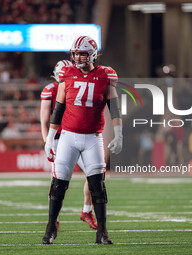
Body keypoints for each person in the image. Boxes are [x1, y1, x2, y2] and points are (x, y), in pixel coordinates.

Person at [42, 35, 123, 245]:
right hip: (68, 136)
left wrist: (119, 132)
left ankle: (102, 232)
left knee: (98, 185)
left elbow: (113, 106)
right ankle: (51, 229)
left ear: (93, 54)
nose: (78, 57)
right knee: (58, 184)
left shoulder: (105, 74)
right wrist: (50, 137)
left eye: (83, 53)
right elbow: (58, 108)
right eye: (76, 53)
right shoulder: (66, 73)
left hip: (93, 138)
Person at [40, 60, 97, 230]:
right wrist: (47, 142)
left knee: (94, 176)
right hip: (59, 138)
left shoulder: (82, 83)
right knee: (57, 181)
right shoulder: (51, 89)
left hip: (81, 135)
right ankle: (54, 219)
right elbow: (44, 120)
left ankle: (87, 210)